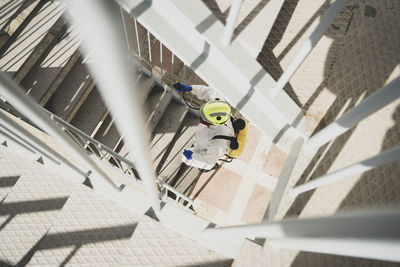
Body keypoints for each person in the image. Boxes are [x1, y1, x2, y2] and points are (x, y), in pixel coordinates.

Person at [173, 82, 235, 171]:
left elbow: (210, 160)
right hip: (206, 142)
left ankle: (209, 168)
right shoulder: (220, 107)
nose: (201, 118)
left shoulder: (218, 143)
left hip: (209, 150)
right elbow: (210, 91)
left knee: (185, 157)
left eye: (203, 118)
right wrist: (190, 88)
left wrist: (192, 156)